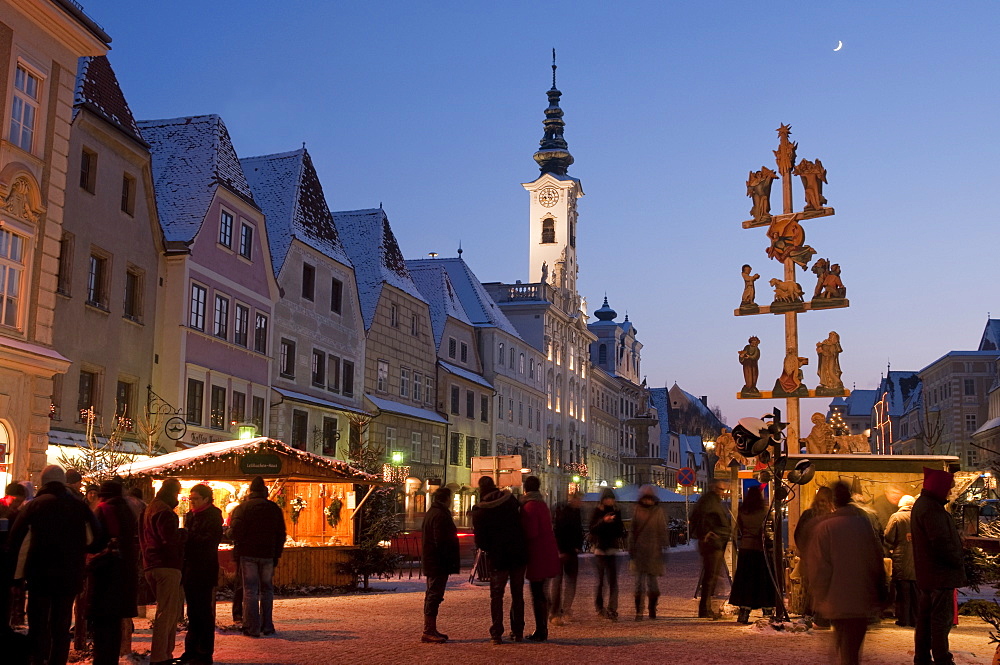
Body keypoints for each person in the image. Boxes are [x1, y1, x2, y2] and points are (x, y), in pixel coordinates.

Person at [8, 465, 98, 665]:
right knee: (61, 626)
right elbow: (92, 538)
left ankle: (38, 659)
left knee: (38, 625)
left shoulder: (34, 506)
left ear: (43, 482)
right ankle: (58, 661)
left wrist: (16, 577)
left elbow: (20, 543)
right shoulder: (79, 506)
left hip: (40, 576)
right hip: (69, 576)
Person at [806, 482, 886, 665]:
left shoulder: (826, 527)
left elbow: (820, 567)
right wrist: (880, 590)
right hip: (861, 596)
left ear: (834, 502)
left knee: (843, 646)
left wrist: (819, 596)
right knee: (853, 648)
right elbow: (875, 558)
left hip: (837, 597)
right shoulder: (864, 524)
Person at [912, 468, 966, 665]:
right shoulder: (931, 509)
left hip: (930, 575)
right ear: (939, 488)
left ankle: (923, 657)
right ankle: (942, 658)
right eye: (948, 488)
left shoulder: (925, 506)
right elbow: (941, 542)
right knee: (939, 621)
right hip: (939, 575)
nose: (950, 492)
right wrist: (956, 559)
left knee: (926, 621)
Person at [471, 475, 527, 644]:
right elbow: (523, 521)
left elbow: (480, 541)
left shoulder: (480, 510)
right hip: (518, 552)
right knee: (517, 593)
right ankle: (518, 631)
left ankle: (496, 633)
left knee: (497, 595)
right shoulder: (511, 500)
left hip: (498, 556)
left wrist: (491, 547)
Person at [88, 479, 139, 665]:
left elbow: (95, 542)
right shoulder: (128, 510)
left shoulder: (104, 510)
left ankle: (102, 661)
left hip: (106, 574)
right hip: (124, 574)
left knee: (102, 626)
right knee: (115, 625)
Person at [229, 476, 285, 638]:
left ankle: (252, 627)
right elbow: (281, 534)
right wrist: (276, 554)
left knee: (250, 591)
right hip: (267, 555)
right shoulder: (274, 508)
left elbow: (236, 532)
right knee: (267, 590)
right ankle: (267, 625)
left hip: (248, 554)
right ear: (265, 492)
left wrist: (229, 534)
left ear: (250, 492)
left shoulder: (243, 508)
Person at [140, 477, 185, 665]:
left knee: (165, 612)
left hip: (151, 564)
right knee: (167, 613)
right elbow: (169, 540)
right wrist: (184, 536)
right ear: (172, 492)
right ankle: (161, 656)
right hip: (166, 565)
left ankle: (165, 654)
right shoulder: (164, 512)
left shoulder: (150, 508)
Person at [181, 484, 224, 664]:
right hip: (190, 569)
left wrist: (188, 537)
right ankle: (191, 650)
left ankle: (204, 652)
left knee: (203, 612)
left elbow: (210, 541)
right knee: (193, 611)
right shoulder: (191, 515)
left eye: (196, 499)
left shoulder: (213, 516)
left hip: (204, 569)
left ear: (206, 499)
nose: (192, 502)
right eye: (191, 499)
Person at [520, 476, 559, 641]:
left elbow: (531, 533)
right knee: (542, 591)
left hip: (537, 555)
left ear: (525, 489)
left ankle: (541, 630)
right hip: (548, 553)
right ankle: (544, 626)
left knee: (537, 594)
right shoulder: (543, 505)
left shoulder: (529, 507)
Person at [420, 486, 459, 643]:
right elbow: (440, 540)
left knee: (433, 594)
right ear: (446, 499)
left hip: (434, 561)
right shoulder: (440, 515)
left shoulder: (433, 512)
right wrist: (447, 558)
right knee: (434, 595)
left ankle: (431, 628)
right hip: (438, 562)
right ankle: (428, 630)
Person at [729, 484, 772, 623]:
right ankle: (767, 610)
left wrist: (739, 545)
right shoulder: (765, 512)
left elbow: (737, 531)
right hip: (761, 549)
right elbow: (770, 530)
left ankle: (744, 612)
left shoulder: (743, 512)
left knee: (746, 581)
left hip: (746, 549)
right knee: (763, 580)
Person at [794, 485, 835, 628]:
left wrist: (805, 552)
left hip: (811, 557)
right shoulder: (832, 517)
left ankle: (811, 614)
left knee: (812, 587)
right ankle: (821, 617)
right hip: (826, 558)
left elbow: (799, 534)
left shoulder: (808, 515)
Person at [690, 479, 731, 619]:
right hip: (713, 544)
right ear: (715, 488)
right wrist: (708, 534)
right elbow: (701, 518)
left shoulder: (711, 501)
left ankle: (707, 608)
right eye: (721, 489)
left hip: (715, 543)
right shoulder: (710, 501)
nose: (723, 493)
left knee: (712, 576)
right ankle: (705, 609)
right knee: (710, 576)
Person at [629, 485, 668, 621]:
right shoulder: (639, 511)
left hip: (653, 552)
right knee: (639, 584)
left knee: (652, 583)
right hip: (642, 552)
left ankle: (651, 609)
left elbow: (662, 530)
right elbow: (633, 531)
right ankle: (639, 611)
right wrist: (631, 548)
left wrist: (664, 546)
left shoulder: (657, 512)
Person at [589, 487, 625, 621]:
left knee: (613, 581)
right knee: (601, 581)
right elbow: (592, 529)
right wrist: (603, 521)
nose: (610, 501)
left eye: (611, 498)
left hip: (612, 549)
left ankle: (612, 608)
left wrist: (614, 523)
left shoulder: (617, 512)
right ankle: (599, 607)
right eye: (607, 498)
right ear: (603, 500)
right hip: (600, 550)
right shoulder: (597, 512)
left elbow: (620, 531)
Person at [549, 491, 584, 626]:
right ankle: (556, 612)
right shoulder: (565, 512)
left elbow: (578, 531)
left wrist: (578, 545)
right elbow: (561, 531)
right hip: (564, 551)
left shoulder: (574, 512)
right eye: (579, 500)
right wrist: (562, 549)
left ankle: (564, 610)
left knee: (568, 582)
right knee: (560, 582)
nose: (580, 502)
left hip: (570, 551)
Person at [884, 495, 917, 628]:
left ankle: (903, 619)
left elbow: (889, 536)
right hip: (917, 558)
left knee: (903, 591)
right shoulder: (918, 517)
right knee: (916, 590)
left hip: (901, 558)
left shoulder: (896, 517)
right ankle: (915, 619)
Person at [0, 482, 27, 628]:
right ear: (7, 496)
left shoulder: (18, 515)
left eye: (20, 501)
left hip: (9, 562)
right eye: (15, 500)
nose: (17, 504)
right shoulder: (2, 510)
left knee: (7, 598)